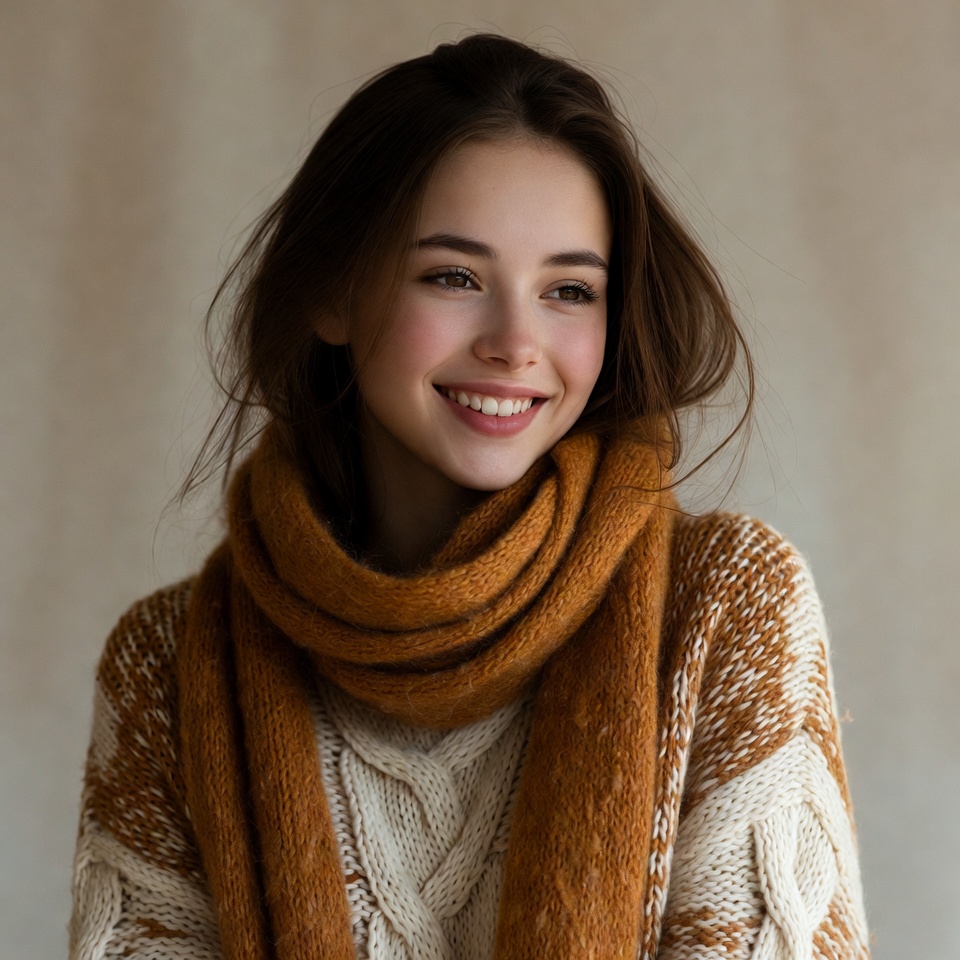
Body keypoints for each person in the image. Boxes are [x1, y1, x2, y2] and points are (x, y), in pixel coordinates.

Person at [68, 33, 869, 960]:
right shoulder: (168, 665)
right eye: (454, 277)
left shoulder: (725, 605)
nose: (516, 341)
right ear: (336, 291)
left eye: (570, 289)